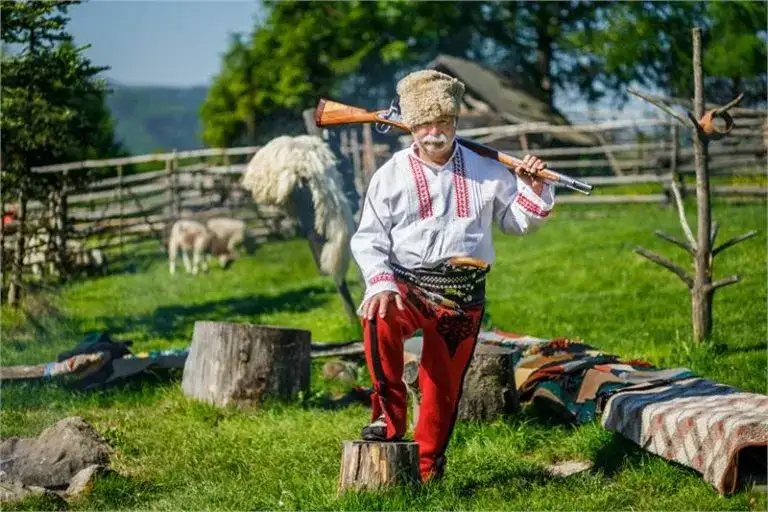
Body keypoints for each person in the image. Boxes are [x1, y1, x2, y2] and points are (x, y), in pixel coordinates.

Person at [349, 69, 556, 483]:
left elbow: (516, 222)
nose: (434, 132)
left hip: (463, 294)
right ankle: (388, 420)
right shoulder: (390, 174)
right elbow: (369, 237)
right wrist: (381, 279)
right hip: (407, 284)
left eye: (443, 122)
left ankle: (427, 472)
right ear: (411, 127)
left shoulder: (487, 169)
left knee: (442, 389)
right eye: (425, 124)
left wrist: (531, 187)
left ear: (455, 122)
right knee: (377, 314)